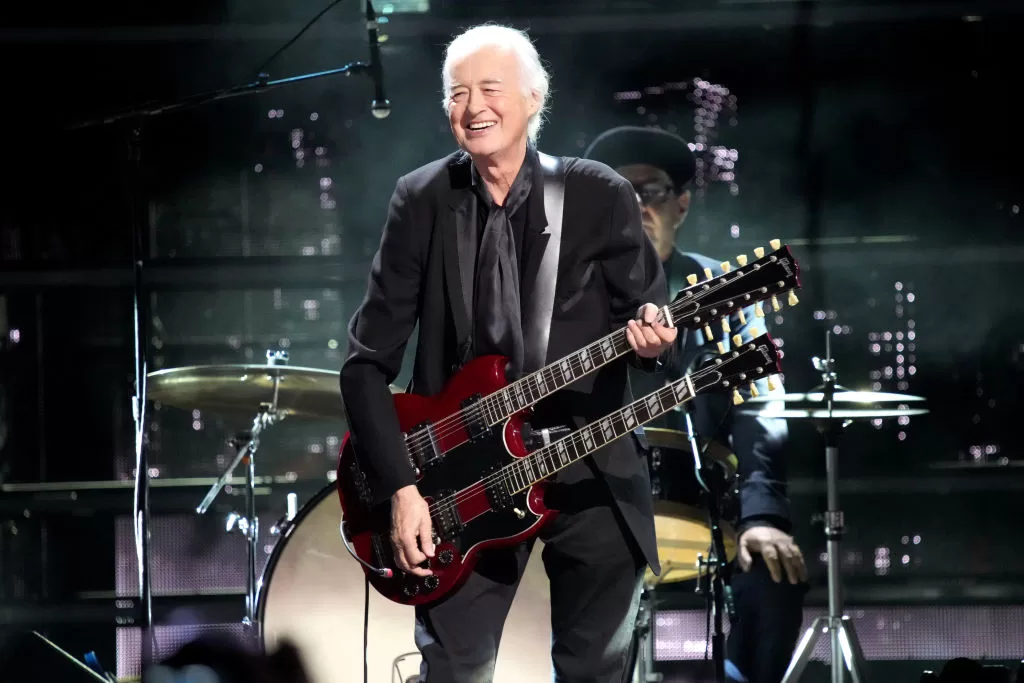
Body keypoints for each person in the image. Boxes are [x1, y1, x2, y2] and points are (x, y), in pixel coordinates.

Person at [339, 25, 678, 683]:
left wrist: (654, 339)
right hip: (460, 483)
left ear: (533, 98)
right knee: (455, 671)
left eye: (489, 89)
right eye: (456, 93)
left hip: (587, 461)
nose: (473, 108)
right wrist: (402, 489)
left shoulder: (598, 192)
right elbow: (364, 364)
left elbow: (649, 322)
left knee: (599, 670)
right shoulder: (421, 199)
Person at [584, 125, 809, 683]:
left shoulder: (722, 291)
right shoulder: (565, 293)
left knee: (776, 568)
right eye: (619, 191)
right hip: (586, 501)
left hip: (698, 504)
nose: (635, 205)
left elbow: (760, 411)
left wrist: (761, 516)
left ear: (680, 204)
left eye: (651, 192)